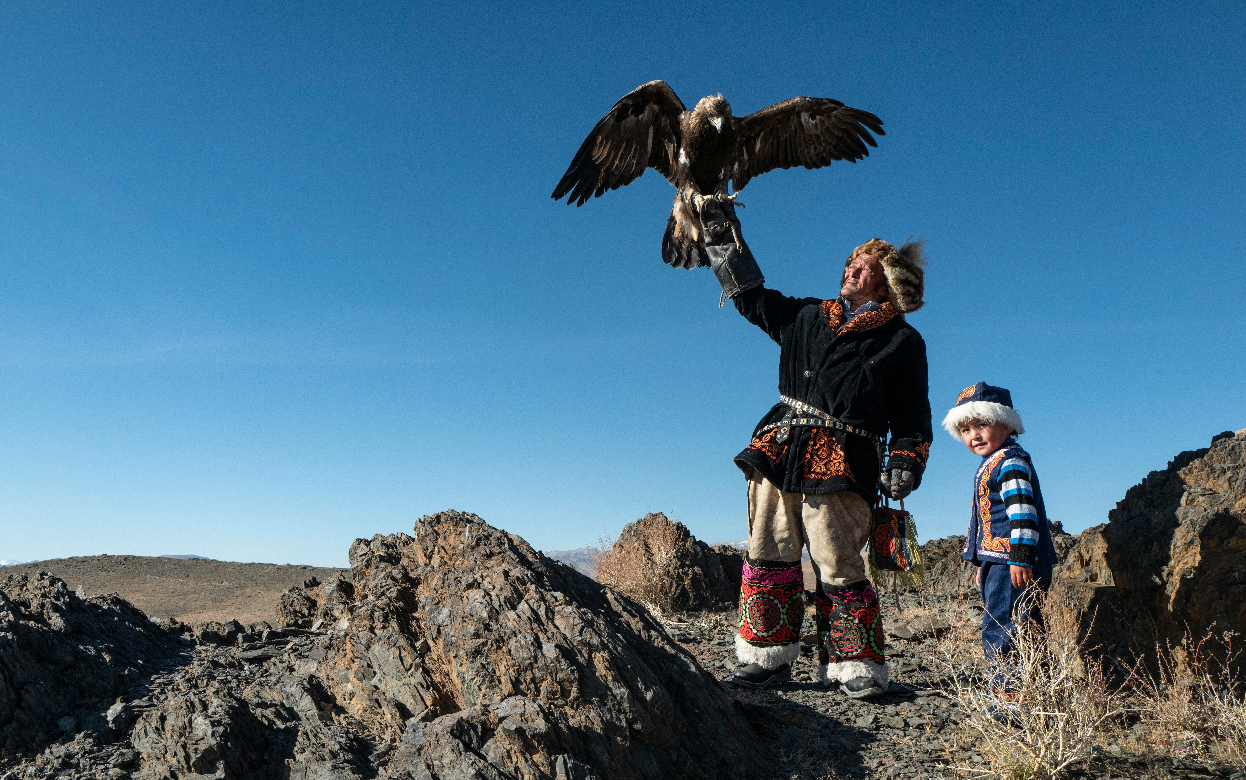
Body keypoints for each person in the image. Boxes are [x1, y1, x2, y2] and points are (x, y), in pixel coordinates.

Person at [700, 202, 933, 699]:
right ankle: (766, 657)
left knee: (838, 559)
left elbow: (913, 417)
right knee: (768, 550)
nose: (850, 271)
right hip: (780, 448)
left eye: (863, 268)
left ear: (885, 283)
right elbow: (753, 300)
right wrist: (722, 239)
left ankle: (855, 664)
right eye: (850, 264)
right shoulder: (807, 315)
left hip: (845, 459)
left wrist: (904, 461)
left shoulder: (902, 340)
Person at [940, 382, 1058, 670]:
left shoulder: (1009, 463)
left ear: (1006, 424)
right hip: (1002, 560)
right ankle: (1037, 687)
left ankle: (1007, 693)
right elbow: (990, 522)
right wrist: (984, 563)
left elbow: (1022, 512)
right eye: (965, 430)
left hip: (1013, 562)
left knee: (1002, 627)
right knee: (1025, 627)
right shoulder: (996, 462)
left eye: (982, 424)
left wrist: (1020, 556)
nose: (974, 435)